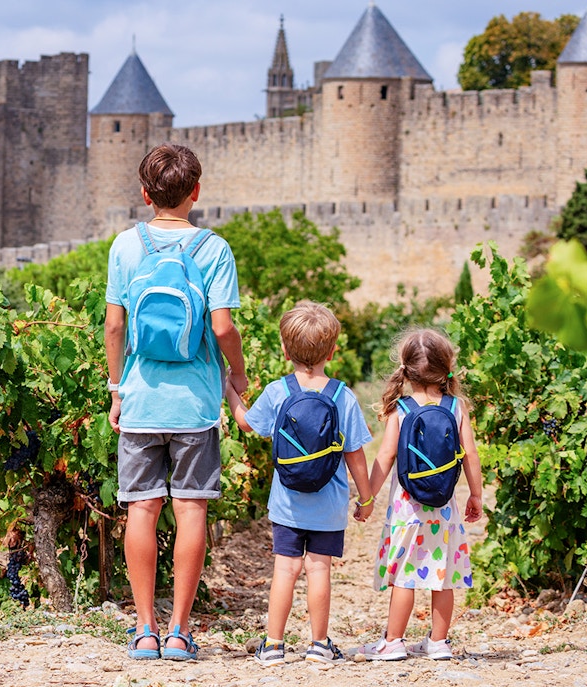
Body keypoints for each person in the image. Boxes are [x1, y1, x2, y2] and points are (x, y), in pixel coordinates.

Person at [105, 143, 248, 661]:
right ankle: (179, 632)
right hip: (196, 405)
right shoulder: (214, 249)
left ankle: (144, 629)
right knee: (191, 510)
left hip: (141, 400)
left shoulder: (126, 246)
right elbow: (223, 328)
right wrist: (238, 372)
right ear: (197, 191)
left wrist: (117, 390)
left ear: (146, 194)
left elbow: (115, 325)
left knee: (141, 509)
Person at [224, 300, 373, 665]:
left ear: (285, 351)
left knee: (286, 568)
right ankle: (319, 644)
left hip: (287, 502)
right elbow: (355, 454)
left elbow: (246, 424)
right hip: (329, 504)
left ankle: (274, 645)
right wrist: (366, 498)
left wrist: (229, 390)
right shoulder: (343, 396)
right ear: (332, 351)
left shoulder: (278, 391)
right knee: (319, 568)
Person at [352, 328, 484, 661]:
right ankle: (438, 642)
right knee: (443, 576)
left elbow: (385, 456)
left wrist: (367, 498)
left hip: (406, 509)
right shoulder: (456, 407)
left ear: (406, 370)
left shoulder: (402, 409)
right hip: (444, 508)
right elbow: (470, 454)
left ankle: (393, 641)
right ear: (447, 367)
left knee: (404, 576)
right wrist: (476, 495)